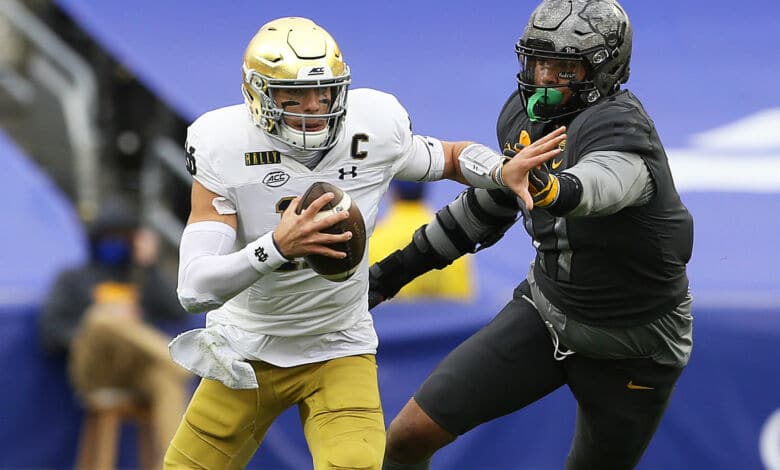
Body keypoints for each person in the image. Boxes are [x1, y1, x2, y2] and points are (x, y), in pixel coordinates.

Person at [163, 16, 565, 469]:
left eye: (324, 92)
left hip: (337, 346)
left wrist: (498, 170)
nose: (314, 107)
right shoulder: (224, 144)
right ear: (259, 94)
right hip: (245, 351)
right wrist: (277, 247)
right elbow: (194, 288)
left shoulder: (371, 126)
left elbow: (450, 157)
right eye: (294, 95)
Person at [369, 1, 694, 469]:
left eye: (563, 69)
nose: (544, 77)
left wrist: (548, 185)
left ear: (603, 70)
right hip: (547, 314)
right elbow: (482, 212)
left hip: (634, 344)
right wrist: (390, 275)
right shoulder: (524, 119)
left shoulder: (621, 128)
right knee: (406, 438)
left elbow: (597, 186)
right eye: (539, 62)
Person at [39, 197, 190, 465]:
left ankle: (178, 465)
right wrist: (93, 332)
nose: (115, 242)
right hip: (94, 368)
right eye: (109, 236)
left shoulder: (140, 277)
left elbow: (179, 311)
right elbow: (50, 331)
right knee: (101, 318)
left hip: (134, 368)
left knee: (167, 381)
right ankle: (174, 357)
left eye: (122, 237)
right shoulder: (73, 278)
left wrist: (150, 266)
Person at [368, 181, 474, 302]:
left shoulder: (375, 239)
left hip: (398, 313)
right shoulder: (452, 237)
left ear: (393, 192)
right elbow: (462, 301)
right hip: (444, 313)